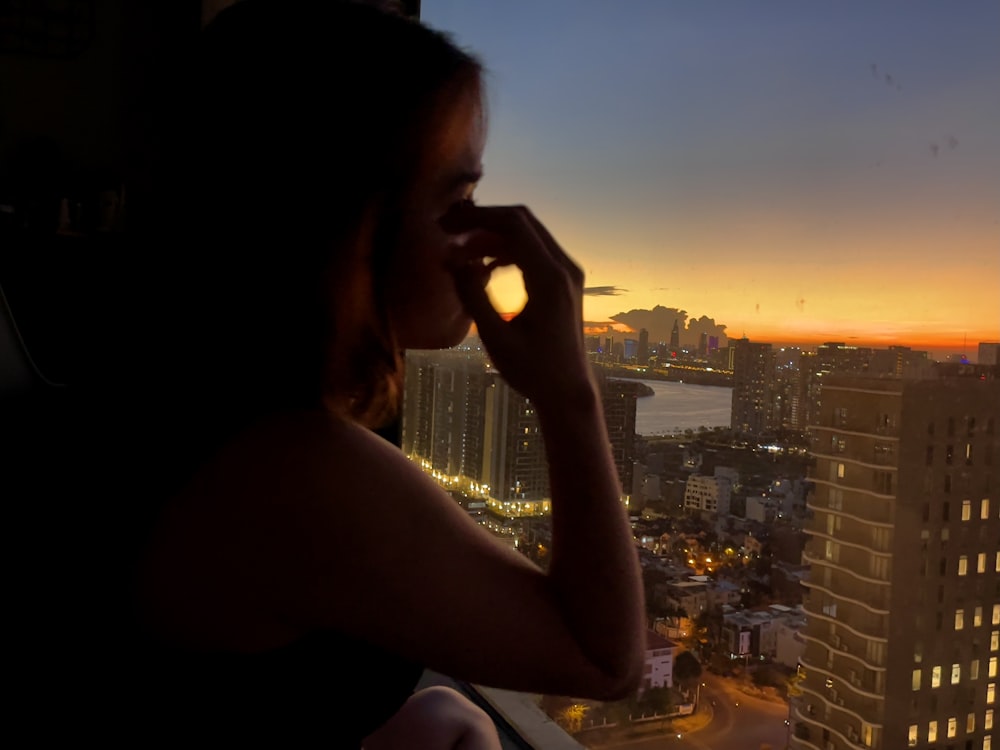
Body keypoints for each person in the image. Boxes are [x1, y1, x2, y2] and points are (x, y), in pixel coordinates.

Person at [62, 0, 646, 746]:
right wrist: (570, 393)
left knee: (455, 718)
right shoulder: (298, 474)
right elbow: (604, 661)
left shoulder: (186, 387)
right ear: (352, 222)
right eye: (459, 198)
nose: (486, 236)